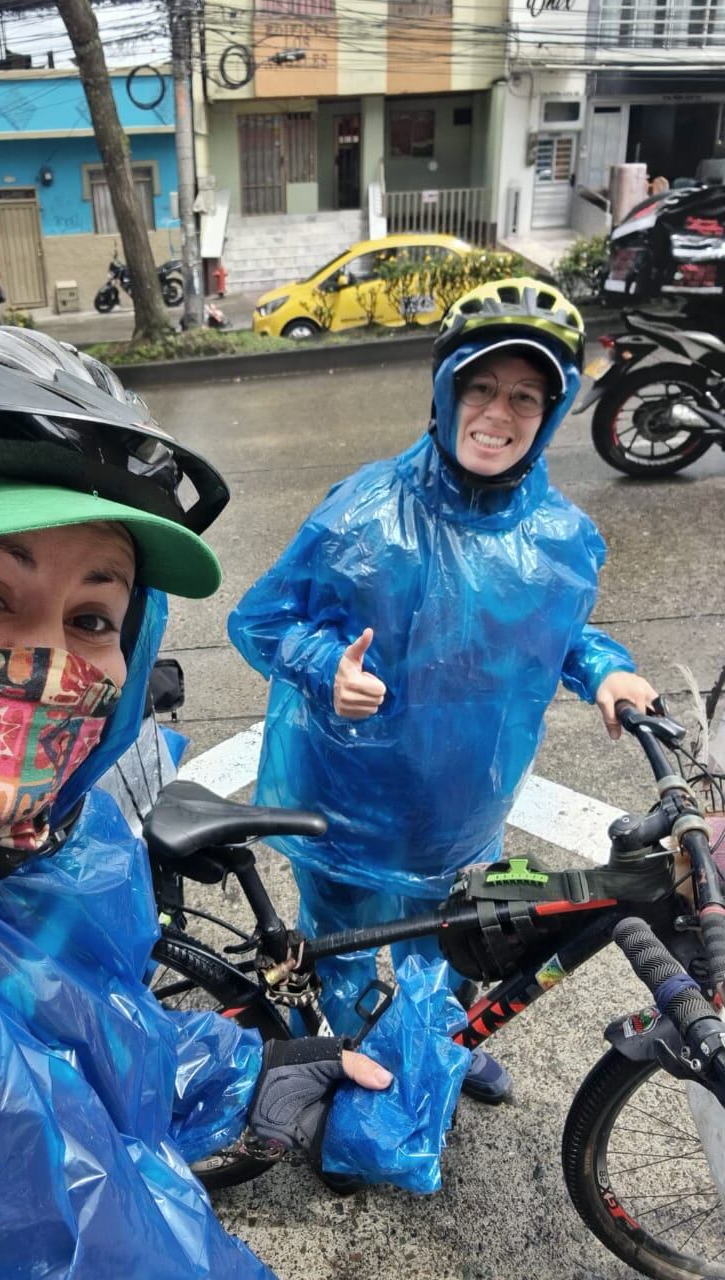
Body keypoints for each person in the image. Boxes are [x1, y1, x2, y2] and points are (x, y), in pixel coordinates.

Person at [0, 324, 390, 1277]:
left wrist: (235, 1071)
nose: (53, 667)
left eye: (95, 616)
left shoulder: (53, 841)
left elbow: (72, 1049)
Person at [228, 278, 658, 1104]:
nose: (499, 413)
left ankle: (440, 1049)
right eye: (482, 387)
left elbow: (560, 633)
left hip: (460, 806)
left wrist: (607, 670)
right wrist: (327, 668)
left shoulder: (561, 538)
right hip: (347, 799)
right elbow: (260, 620)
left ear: (553, 413)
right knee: (348, 947)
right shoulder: (363, 510)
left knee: (458, 942)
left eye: (526, 397)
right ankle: (360, 1070)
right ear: (446, 388)